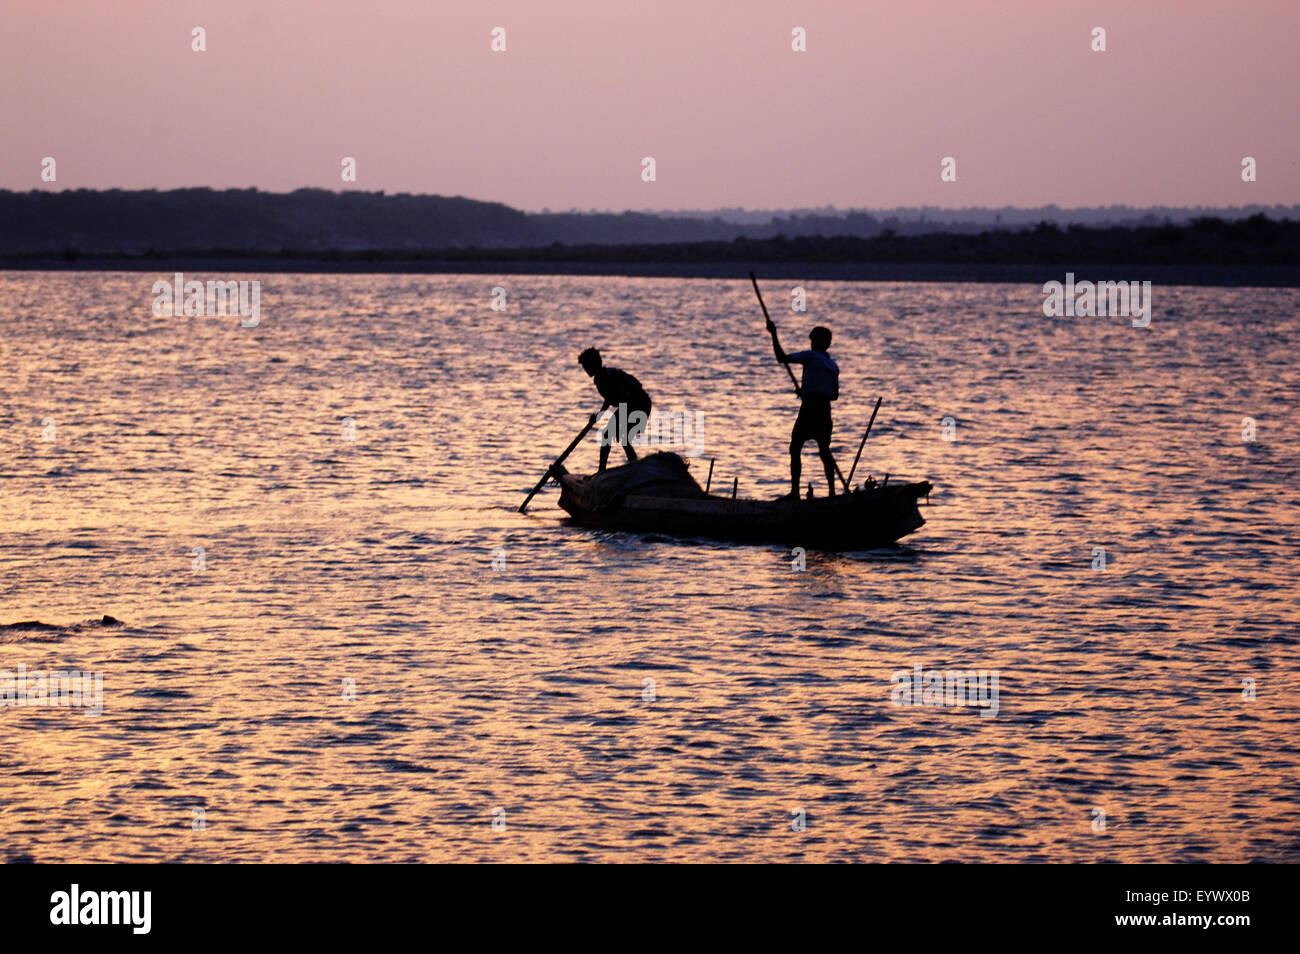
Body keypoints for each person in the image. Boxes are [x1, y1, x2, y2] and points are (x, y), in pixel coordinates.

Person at [766, 321, 840, 497]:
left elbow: (781, 358)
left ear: (814, 342)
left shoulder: (810, 356)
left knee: (795, 447)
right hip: (824, 410)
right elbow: (834, 395)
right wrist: (807, 391)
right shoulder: (832, 365)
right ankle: (832, 492)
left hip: (810, 409)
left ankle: (795, 492)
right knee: (824, 451)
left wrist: (773, 334)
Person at [578, 348, 653, 471]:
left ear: (594, 364)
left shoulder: (604, 378)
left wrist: (600, 417)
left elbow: (619, 396)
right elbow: (610, 398)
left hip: (637, 404)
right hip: (638, 403)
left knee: (610, 435)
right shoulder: (606, 374)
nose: (586, 370)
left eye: (586, 366)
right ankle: (633, 465)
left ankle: (603, 470)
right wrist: (598, 416)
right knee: (621, 437)